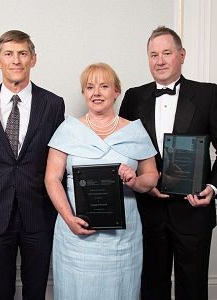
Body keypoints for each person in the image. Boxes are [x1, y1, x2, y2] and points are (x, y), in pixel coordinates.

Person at [119, 26, 217, 300]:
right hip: (147, 212)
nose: (159, 61)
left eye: (166, 53)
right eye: (153, 54)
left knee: (192, 290)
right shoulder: (134, 97)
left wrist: (212, 187)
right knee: (150, 288)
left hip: (193, 211)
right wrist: (143, 184)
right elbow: (121, 150)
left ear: (181, 55)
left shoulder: (207, 95)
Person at [44, 62, 159, 300]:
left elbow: (152, 176)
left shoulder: (135, 131)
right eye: (89, 87)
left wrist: (134, 181)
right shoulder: (68, 129)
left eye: (104, 86)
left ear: (117, 91)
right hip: (76, 233)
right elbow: (51, 178)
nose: (96, 93)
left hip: (122, 238)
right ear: (84, 93)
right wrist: (69, 219)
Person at [0, 30, 65, 300]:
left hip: (40, 213)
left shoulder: (54, 104)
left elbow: (60, 164)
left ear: (33, 59)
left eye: (23, 53)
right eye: (8, 54)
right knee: (0, 292)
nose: (16, 60)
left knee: (36, 291)